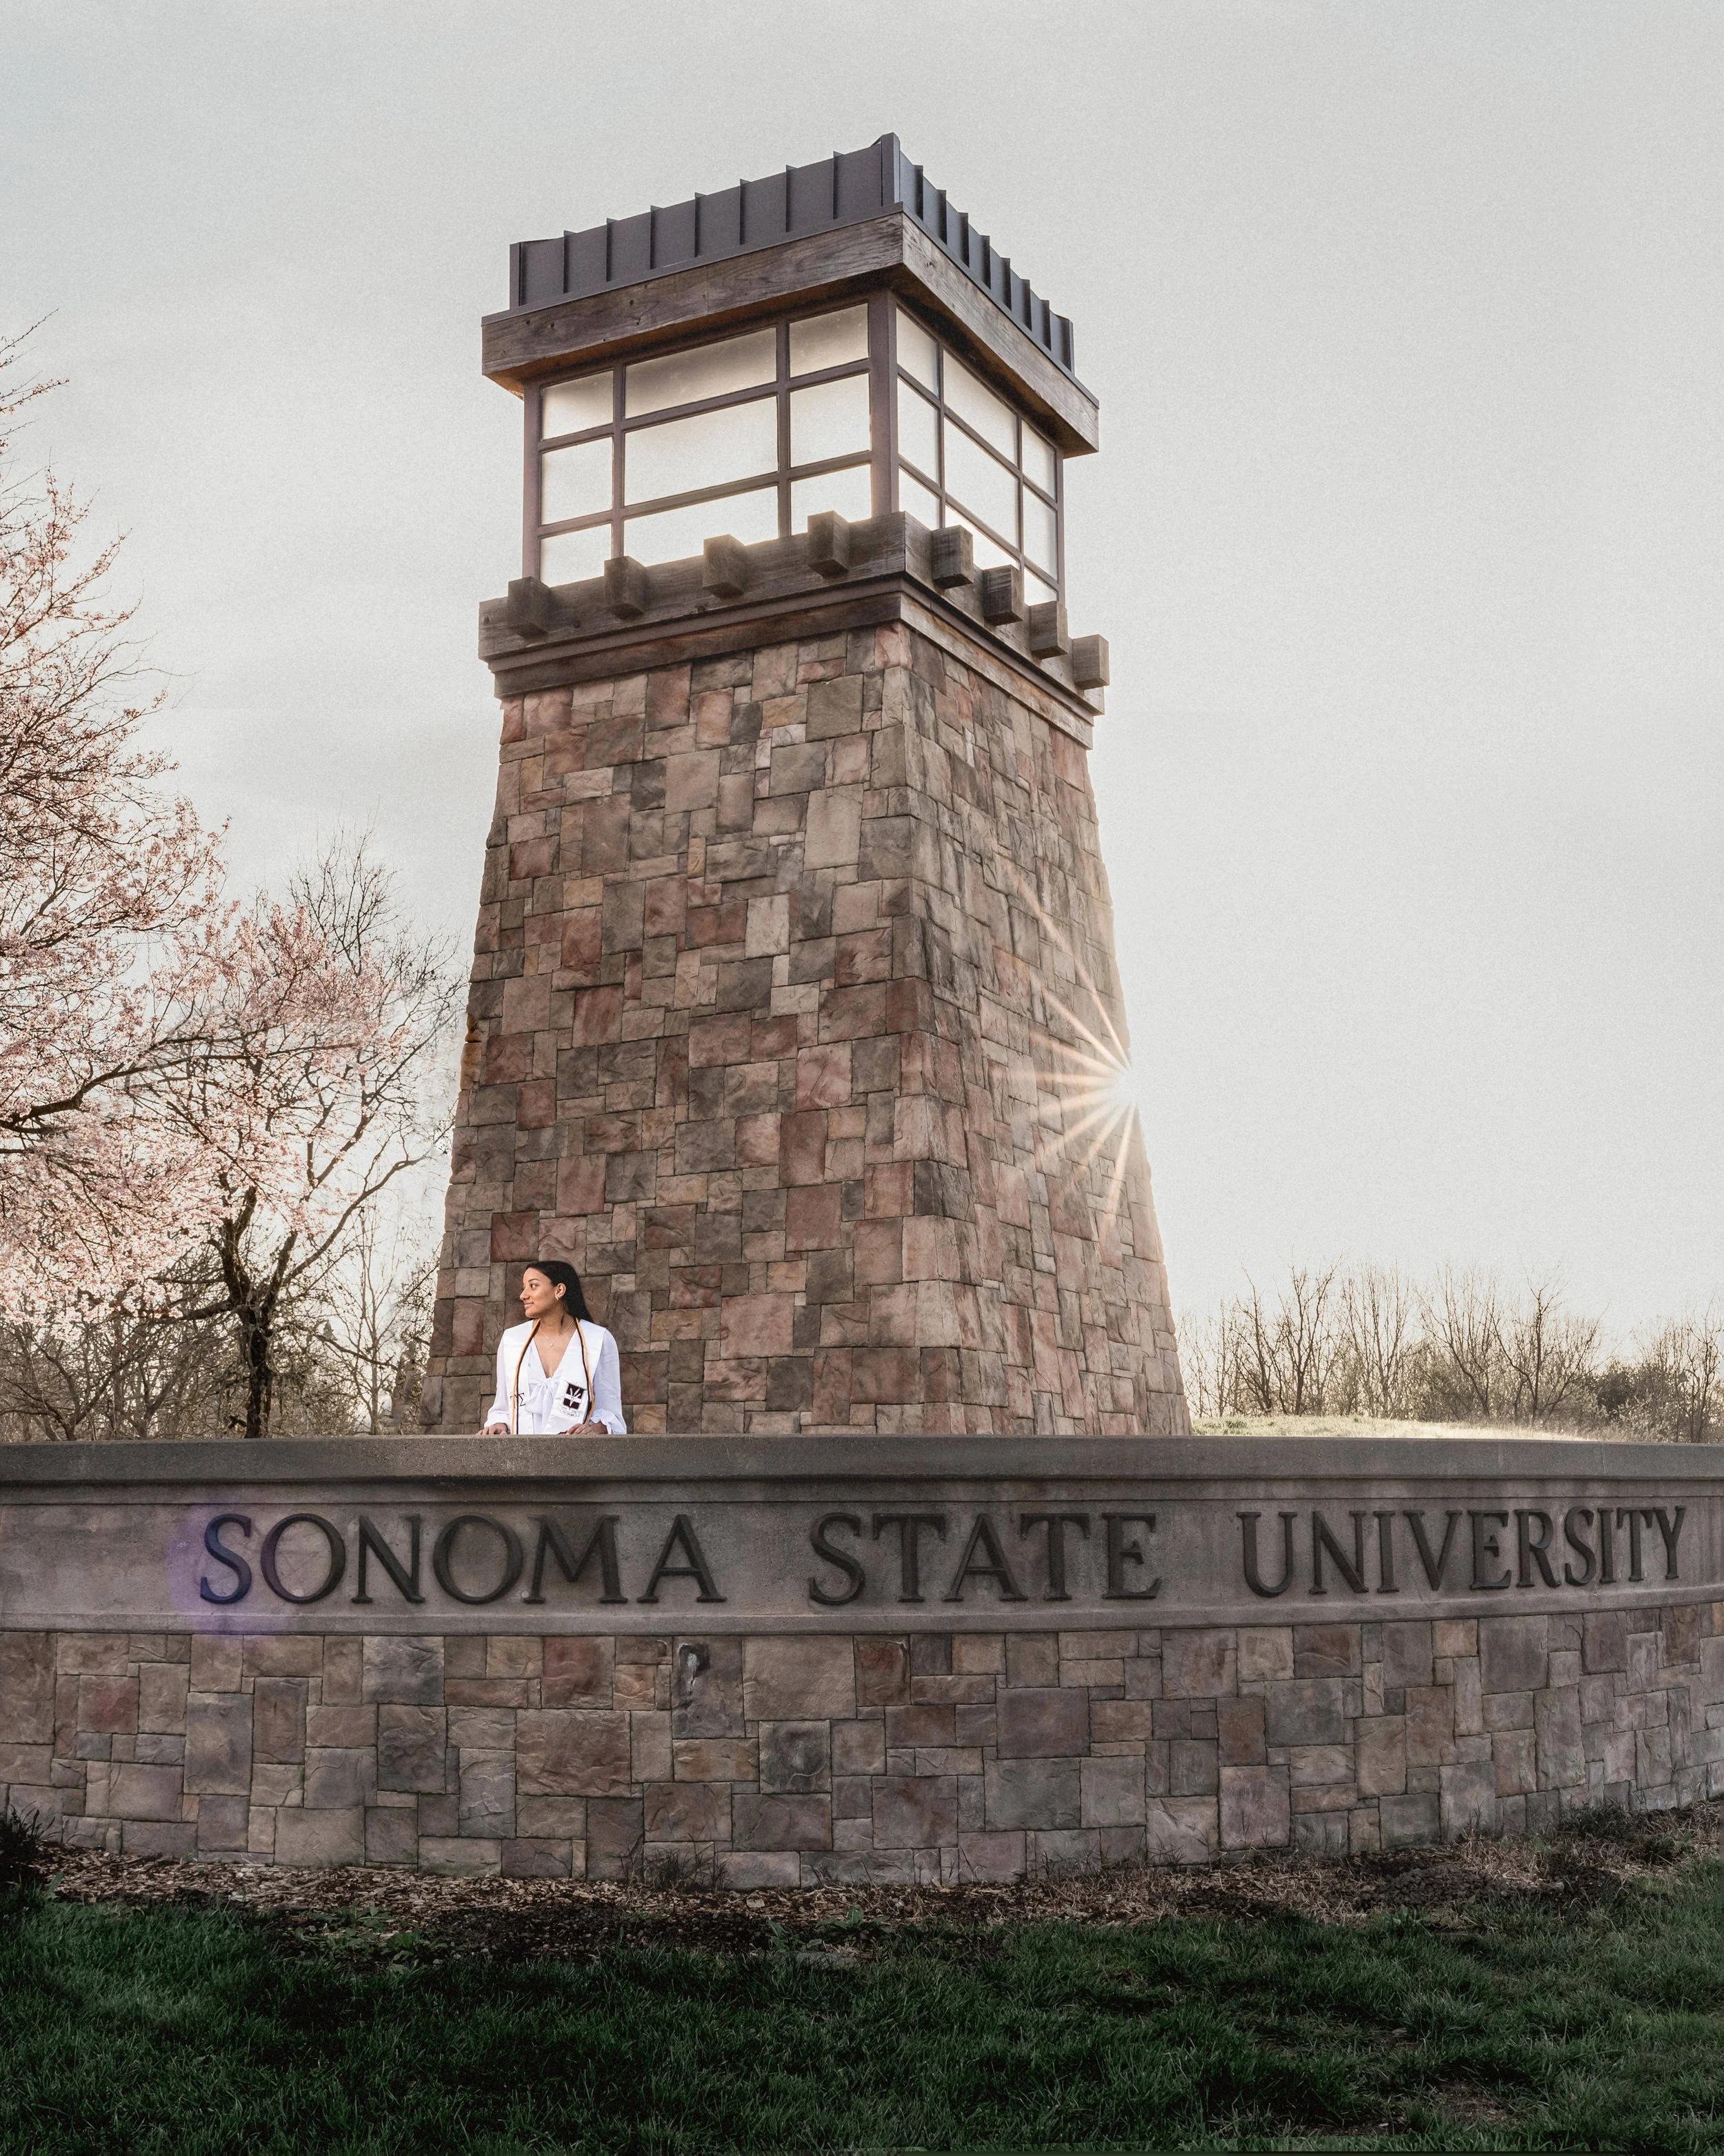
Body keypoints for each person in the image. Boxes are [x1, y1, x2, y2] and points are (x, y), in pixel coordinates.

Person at [480, 1260, 626, 1435]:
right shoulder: (513, 1341)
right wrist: (499, 1424)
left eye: (533, 1286)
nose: (523, 1295)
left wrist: (592, 1430)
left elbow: (610, 1412)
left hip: (576, 1456)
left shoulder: (596, 1340)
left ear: (559, 1290)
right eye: (524, 1287)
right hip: (521, 1457)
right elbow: (503, 1407)